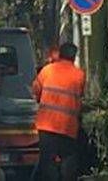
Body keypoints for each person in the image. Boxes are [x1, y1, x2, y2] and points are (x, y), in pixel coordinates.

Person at [32, 42, 85, 181]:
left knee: (47, 161)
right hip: (68, 127)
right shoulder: (79, 75)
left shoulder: (48, 70)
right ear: (74, 57)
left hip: (47, 125)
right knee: (68, 160)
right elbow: (79, 97)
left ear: (60, 54)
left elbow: (36, 89)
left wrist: (40, 99)